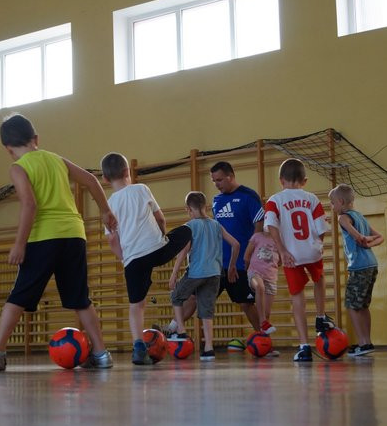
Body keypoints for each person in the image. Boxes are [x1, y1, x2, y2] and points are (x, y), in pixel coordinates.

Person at [0, 113, 118, 371]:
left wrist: (20, 243)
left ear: (8, 149)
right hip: (73, 235)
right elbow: (91, 180)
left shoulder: (18, 167)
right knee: (80, 298)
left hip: (43, 238)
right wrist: (105, 210)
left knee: (18, 297)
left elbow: (30, 204)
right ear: (36, 138)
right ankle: (101, 354)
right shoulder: (57, 159)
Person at [100, 152, 192, 365]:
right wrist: (162, 237)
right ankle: (194, 270)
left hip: (133, 260)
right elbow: (160, 218)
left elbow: (112, 240)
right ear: (127, 172)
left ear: (105, 179)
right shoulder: (141, 189)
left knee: (136, 305)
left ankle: (138, 347)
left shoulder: (109, 204)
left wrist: (126, 259)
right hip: (157, 250)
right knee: (188, 231)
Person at [157, 162, 264, 335]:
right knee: (193, 297)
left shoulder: (248, 196)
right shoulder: (217, 201)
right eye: (213, 181)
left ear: (230, 177)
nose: (216, 184)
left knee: (246, 303)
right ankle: (171, 329)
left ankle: (263, 338)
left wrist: (251, 254)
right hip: (215, 265)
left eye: (219, 180)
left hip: (240, 264)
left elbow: (259, 224)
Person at [264, 159, 335, 362]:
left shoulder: (274, 200)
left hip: (291, 255)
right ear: (304, 181)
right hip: (311, 251)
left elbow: (271, 226)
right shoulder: (312, 198)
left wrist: (282, 250)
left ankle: (304, 346)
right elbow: (321, 229)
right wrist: (318, 245)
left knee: (298, 299)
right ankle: (321, 317)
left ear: (280, 180)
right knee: (319, 278)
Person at [168, 192, 239, 361]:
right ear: (205, 207)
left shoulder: (190, 226)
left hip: (196, 272)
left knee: (176, 296)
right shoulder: (216, 225)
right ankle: (208, 349)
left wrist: (173, 274)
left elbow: (183, 251)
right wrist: (231, 267)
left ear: (188, 209)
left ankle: (181, 332)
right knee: (206, 311)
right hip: (215, 273)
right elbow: (236, 244)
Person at [328, 184, 383, 357]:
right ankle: (367, 342)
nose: (331, 207)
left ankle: (362, 343)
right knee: (363, 306)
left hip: (359, 266)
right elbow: (380, 237)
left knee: (352, 305)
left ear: (341, 201)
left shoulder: (343, 218)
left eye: (332, 203)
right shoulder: (360, 216)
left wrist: (363, 239)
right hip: (371, 265)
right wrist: (368, 242)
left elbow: (357, 237)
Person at [243, 230, 280, 335]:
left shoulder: (279, 240)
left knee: (267, 313)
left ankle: (264, 341)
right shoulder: (257, 237)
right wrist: (248, 270)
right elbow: (246, 256)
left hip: (271, 278)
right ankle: (262, 321)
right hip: (254, 273)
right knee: (260, 287)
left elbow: (280, 260)